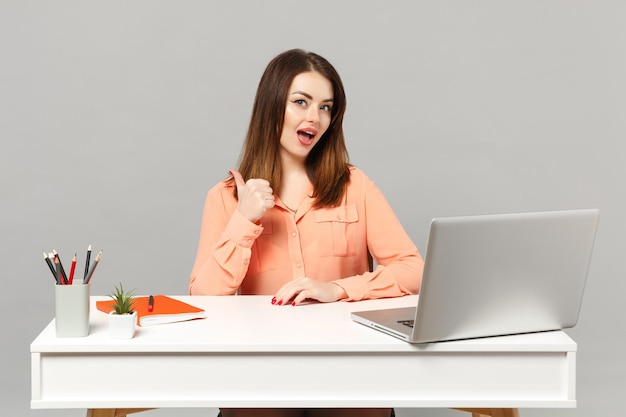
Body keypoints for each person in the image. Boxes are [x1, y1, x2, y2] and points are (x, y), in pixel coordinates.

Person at [189, 49, 424, 417]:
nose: (314, 117)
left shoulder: (353, 185)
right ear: (271, 106)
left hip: (350, 363)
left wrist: (339, 289)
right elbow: (205, 296)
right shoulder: (226, 197)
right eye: (301, 102)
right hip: (260, 367)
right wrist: (244, 220)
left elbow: (414, 270)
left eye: (326, 107)